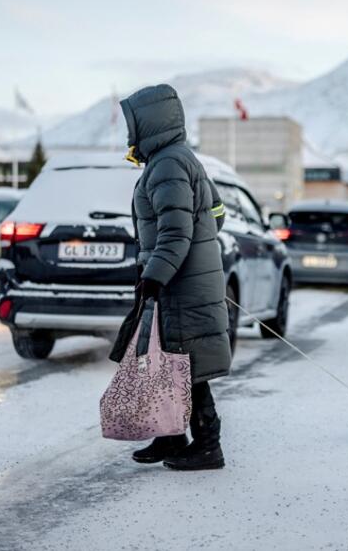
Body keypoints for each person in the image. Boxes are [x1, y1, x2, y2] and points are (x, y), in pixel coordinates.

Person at [108, 84, 232, 471]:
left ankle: (208, 446)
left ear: (148, 123)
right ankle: (171, 436)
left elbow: (176, 232)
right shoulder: (179, 159)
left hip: (179, 284)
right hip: (186, 279)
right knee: (168, 362)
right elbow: (216, 213)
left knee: (186, 365)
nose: (129, 132)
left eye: (132, 123)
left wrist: (155, 275)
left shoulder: (168, 164)